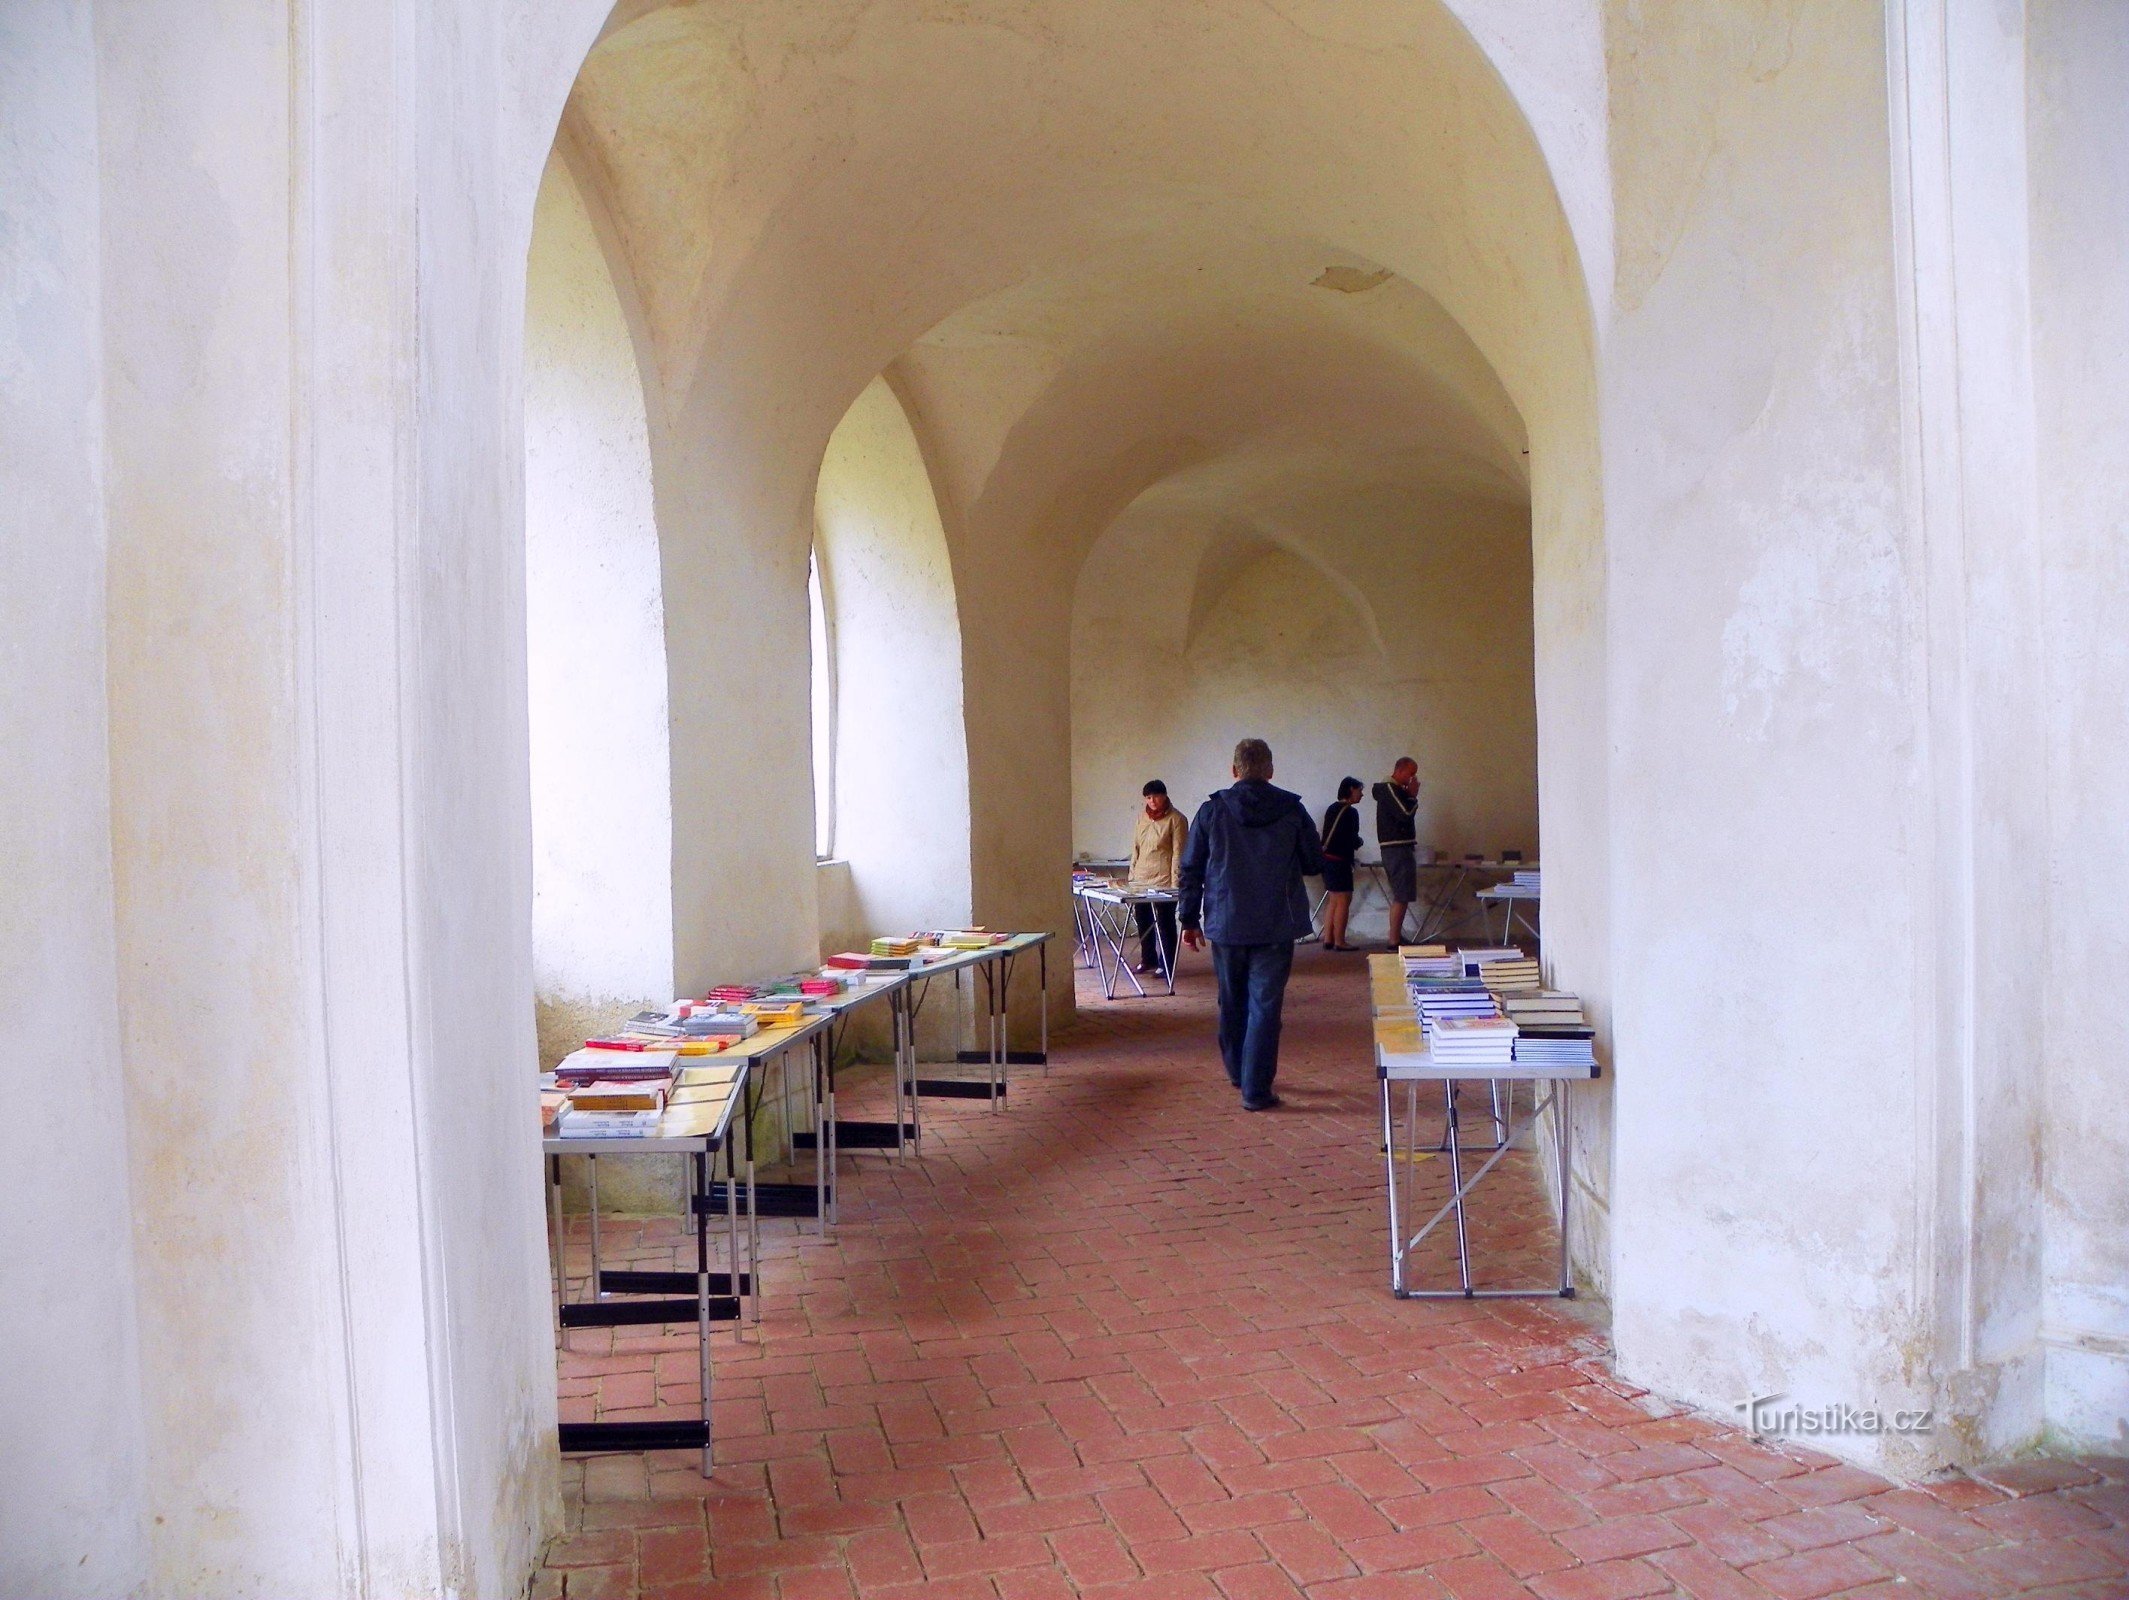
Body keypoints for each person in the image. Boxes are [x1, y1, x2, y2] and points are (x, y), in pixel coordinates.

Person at [1179, 739, 1325, 1111]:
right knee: (1265, 1006)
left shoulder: (1211, 811)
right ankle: (1256, 1089)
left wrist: (1188, 919)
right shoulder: (1293, 810)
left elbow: (1191, 868)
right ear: (1270, 771)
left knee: (1232, 1000)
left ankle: (1237, 1071)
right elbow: (1312, 862)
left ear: (1234, 771)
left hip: (1226, 923)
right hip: (1276, 923)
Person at [1127, 779, 1187, 975]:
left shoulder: (1177, 819)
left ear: (1165, 796)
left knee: (1165, 922)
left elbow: (1179, 852)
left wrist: (1175, 883)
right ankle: (1148, 959)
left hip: (1164, 881)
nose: (1152, 801)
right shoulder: (1141, 818)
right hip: (1141, 880)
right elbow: (1135, 849)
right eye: (1148, 797)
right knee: (1143, 921)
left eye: (1156, 796)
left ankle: (1167, 964)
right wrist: (1132, 876)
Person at [1372, 757, 1422, 947]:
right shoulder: (1389, 789)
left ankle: (1396, 937)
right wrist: (1412, 795)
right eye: (1411, 773)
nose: (1413, 778)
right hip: (1397, 848)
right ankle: (1394, 940)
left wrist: (1409, 795)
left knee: (1403, 894)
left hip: (1400, 847)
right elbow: (1405, 814)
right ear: (1399, 770)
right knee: (1401, 895)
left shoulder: (1394, 790)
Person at [1318, 777, 1364, 951]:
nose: (1362, 794)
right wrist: (1358, 842)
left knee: (1333, 899)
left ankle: (1328, 938)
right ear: (1351, 789)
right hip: (1340, 861)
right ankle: (1340, 941)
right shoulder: (1351, 812)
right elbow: (1350, 839)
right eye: (1359, 790)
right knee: (1344, 899)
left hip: (1326, 860)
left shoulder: (1332, 809)